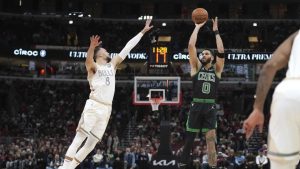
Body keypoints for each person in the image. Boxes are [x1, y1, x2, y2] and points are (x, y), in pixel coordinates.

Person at [59, 19, 153, 169]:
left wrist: (142, 32)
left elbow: (127, 48)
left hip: (106, 109)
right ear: (99, 54)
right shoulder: (94, 67)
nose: (107, 51)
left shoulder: (112, 65)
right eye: (104, 50)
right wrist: (91, 47)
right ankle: (64, 167)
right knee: (80, 137)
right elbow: (88, 60)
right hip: (94, 105)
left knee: (90, 145)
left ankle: (70, 167)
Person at [243, 30, 300, 169]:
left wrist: (257, 109)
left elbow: (268, 67)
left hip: (289, 93)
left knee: (281, 166)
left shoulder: (297, 36)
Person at [180, 17, 225, 168]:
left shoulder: (217, 70)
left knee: (211, 140)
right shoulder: (196, 68)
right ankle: (182, 164)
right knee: (189, 140)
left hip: (210, 107)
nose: (203, 55)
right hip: (196, 105)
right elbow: (191, 45)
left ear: (212, 58)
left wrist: (216, 32)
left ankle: (213, 166)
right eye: (202, 54)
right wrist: (197, 27)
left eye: (206, 54)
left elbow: (221, 51)